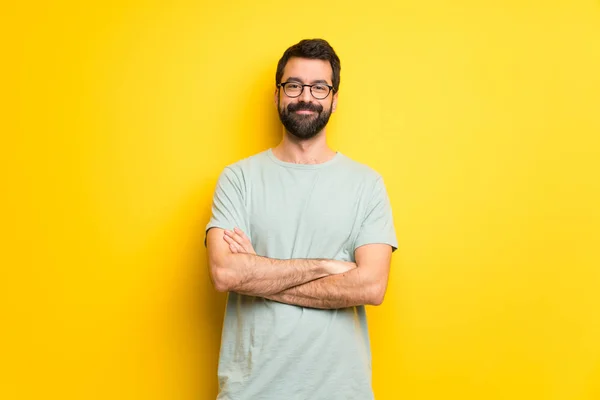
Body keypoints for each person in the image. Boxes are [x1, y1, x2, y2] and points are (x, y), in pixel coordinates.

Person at [205, 38, 398, 400]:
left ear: (334, 98)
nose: (305, 96)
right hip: (252, 391)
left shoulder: (366, 184)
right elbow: (226, 273)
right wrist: (328, 266)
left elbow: (371, 287)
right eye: (293, 85)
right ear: (277, 94)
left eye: (318, 87)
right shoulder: (238, 179)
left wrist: (258, 272)